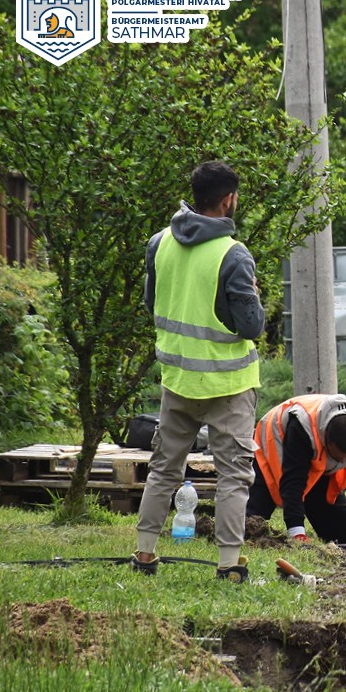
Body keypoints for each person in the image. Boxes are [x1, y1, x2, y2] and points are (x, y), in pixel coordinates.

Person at [133, 161, 264, 583]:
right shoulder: (233, 254)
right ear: (228, 199)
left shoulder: (159, 243)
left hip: (177, 381)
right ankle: (228, 563)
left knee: (164, 468)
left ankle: (145, 552)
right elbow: (252, 325)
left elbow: (152, 303)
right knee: (233, 475)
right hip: (228, 384)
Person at [248, 394, 346, 548]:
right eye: (337, 456)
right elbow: (293, 482)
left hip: (319, 465)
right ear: (325, 440)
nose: (342, 462)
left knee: (345, 534)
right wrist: (296, 533)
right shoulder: (302, 427)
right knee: (251, 527)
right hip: (272, 448)